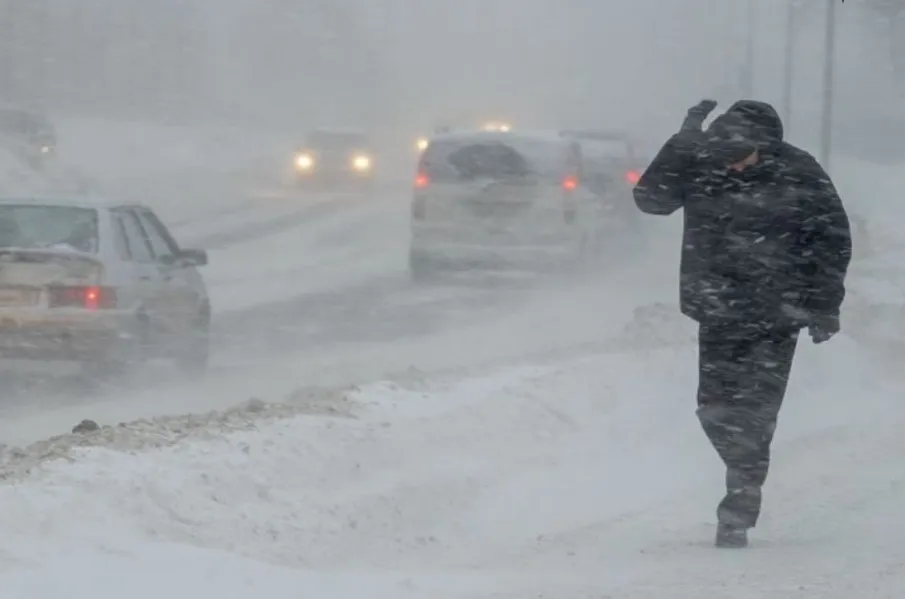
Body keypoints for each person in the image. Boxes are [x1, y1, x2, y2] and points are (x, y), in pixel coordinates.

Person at [632, 99, 852, 548]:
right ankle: (744, 468)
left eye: (740, 157)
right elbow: (651, 201)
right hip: (717, 307)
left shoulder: (800, 172)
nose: (732, 167)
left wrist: (825, 305)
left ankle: (740, 498)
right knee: (713, 407)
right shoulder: (703, 163)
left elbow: (832, 239)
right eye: (724, 157)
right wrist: (682, 143)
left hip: (777, 313)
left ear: (765, 146)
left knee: (756, 411)